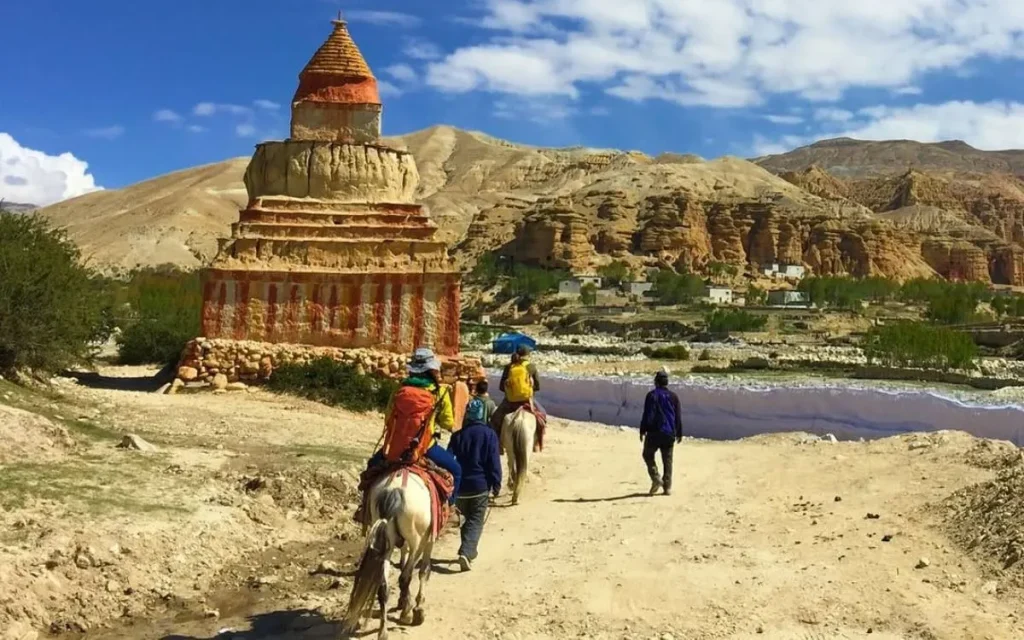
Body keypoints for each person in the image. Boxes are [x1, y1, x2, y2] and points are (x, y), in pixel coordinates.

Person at [366, 347, 462, 504]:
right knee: (457, 471)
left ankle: (364, 510)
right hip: (425, 447)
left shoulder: (400, 390)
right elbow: (448, 423)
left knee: (371, 467)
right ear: (431, 369)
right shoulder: (439, 392)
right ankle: (450, 510)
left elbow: (388, 418)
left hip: (395, 447)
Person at [447, 397, 502, 572]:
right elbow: (494, 462)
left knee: (465, 519)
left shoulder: (457, 436)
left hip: (460, 487)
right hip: (480, 487)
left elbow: (448, 460)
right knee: (476, 520)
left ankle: (466, 549)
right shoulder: (490, 434)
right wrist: (496, 484)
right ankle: (467, 551)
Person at [491, 345, 548, 452]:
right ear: (528, 354)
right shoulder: (531, 367)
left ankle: (498, 445)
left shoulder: (509, 367)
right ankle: (537, 444)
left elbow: (501, 387)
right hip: (527, 401)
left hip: (509, 402)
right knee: (543, 416)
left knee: (494, 420)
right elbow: (538, 386)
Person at [639, 369, 683, 496]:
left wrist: (643, 430)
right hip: (669, 432)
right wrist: (679, 432)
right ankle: (667, 487)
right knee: (667, 460)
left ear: (656, 382)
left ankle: (656, 477)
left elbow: (647, 414)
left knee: (647, 455)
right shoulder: (674, 397)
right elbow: (677, 416)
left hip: (654, 432)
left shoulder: (651, 395)